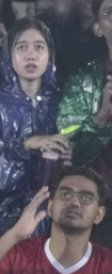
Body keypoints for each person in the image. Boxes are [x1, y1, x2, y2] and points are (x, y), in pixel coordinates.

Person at [0, 17, 66, 241]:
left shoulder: (63, 101)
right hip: (5, 218)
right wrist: (26, 145)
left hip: (58, 215)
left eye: (39, 47)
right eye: (22, 47)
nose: (30, 55)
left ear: (50, 55)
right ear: (9, 55)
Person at [57, 0, 112, 169]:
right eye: (110, 13)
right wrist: (101, 117)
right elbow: (69, 151)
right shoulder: (81, 82)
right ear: (98, 28)